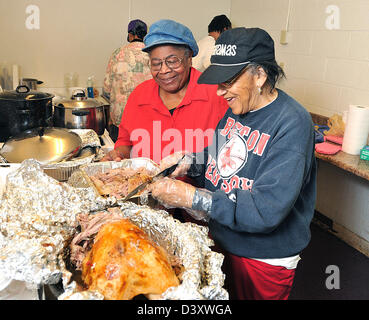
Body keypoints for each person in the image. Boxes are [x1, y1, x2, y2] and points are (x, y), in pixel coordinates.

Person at [149, 27, 317, 300]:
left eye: (228, 82)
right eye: (218, 82)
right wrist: (189, 162)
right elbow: (217, 155)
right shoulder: (237, 109)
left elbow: (266, 210)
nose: (219, 92)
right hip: (225, 239)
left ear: (260, 75)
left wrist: (192, 197)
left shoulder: (292, 123)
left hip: (261, 258)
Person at [101, 19, 228, 163]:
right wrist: (118, 154)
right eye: (156, 64)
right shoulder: (139, 96)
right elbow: (126, 142)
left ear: (189, 59)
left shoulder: (217, 95)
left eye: (172, 61)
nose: (164, 70)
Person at [103, 19, 152, 142]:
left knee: (119, 157)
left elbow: (106, 89)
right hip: (146, 119)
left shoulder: (117, 54)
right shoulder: (152, 54)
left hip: (120, 119)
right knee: (143, 158)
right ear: (145, 35)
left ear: (130, 35)